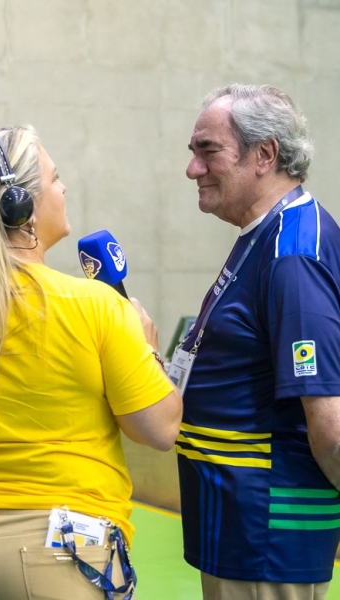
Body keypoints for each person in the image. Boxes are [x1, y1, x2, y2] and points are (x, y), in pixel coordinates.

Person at [0, 125, 182, 600]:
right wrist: (149, 349)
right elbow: (160, 429)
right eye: (54, 178)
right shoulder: (97, 305)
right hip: (65, 551)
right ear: (19, 207)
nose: (64, 188)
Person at [177, 83, 340, 600]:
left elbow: (330, 427)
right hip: (241, 532)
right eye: (193, 152)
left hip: (268, 539)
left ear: (265, 155)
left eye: (208, 151)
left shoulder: (294, 253)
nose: (193, 169)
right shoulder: (265, 234)